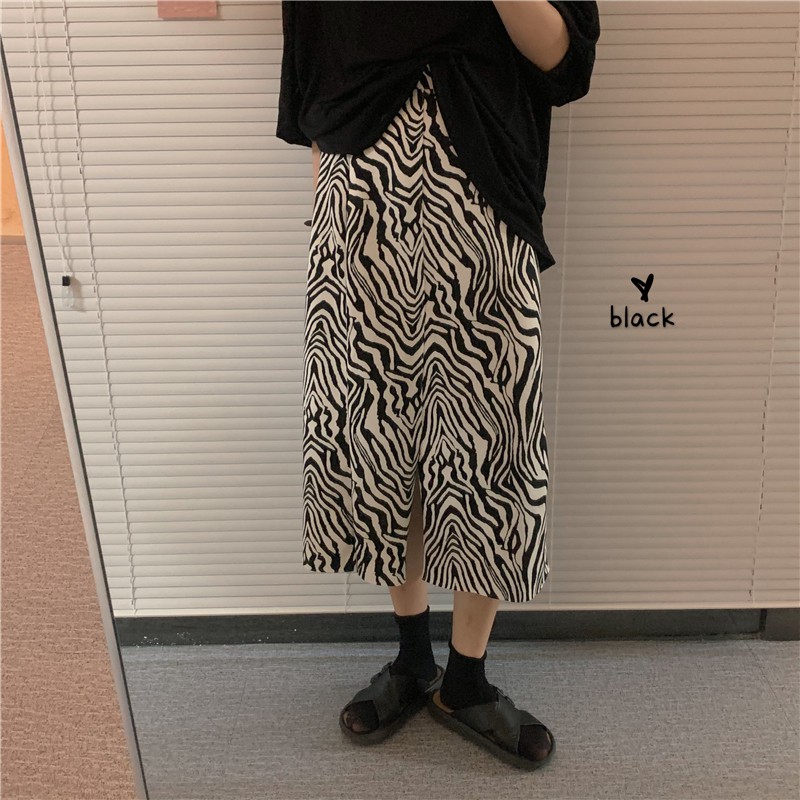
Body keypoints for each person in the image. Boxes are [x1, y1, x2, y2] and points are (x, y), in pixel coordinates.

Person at [277, 0, 600, 771]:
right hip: (362, 192)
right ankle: (412, 657)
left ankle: (467, 678)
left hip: (484, 187)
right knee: (379, 434)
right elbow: (313, 63)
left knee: (489, 446)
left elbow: (563, 59)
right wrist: (327, 217)